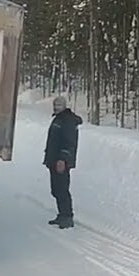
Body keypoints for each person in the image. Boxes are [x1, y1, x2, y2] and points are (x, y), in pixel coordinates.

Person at [43, 95, 82, 228]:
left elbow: (69, 142)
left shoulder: (67, 120)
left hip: (61, 162)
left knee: (62, 189)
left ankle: (67, 216)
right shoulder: (58, 119)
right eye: (55, 104)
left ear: (64, 106)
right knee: (56, 189)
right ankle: (62, 214)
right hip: (53, 160)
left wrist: (62, 159)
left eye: (59, 105)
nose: (56, 107)